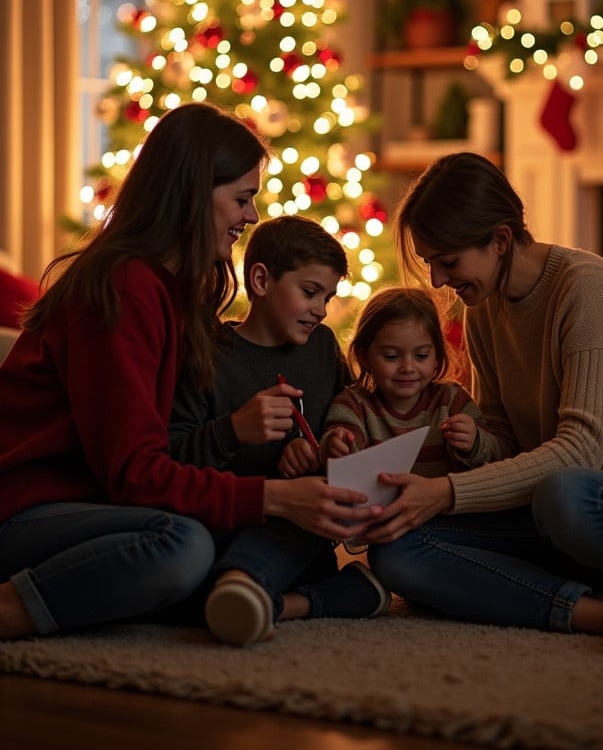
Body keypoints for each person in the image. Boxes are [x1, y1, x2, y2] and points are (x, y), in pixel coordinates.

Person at [0, 102, 378, 642]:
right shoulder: (122, 288)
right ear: (193, 193)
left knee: (247, 540)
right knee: (183, 544)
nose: (251, 217)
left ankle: (250, 596)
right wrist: (272, 495)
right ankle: (12, 608)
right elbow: (135, 475)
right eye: (242, 199)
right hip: (25, 510)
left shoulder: (173, 294)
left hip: (99, 509)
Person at [363, 152, 603, 655]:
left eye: (447, 262)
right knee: (396, 548)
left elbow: (581, 450)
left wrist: (446, 491)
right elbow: (507, 441)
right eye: (430, 263)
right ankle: (599, 611)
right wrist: (473, 448)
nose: (436, 281)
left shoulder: (585, 286)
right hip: (551, 511)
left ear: (499, 240)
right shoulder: (483, 312)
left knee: (565, 493)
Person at [168, 215, 389, 646]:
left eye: (328, 297)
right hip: (223, 523)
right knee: (176, 578)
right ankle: (313, 597)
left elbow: (348, 418)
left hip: (297, 536)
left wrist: (332, 446)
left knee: (308, 508)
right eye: (309, 293)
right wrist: (233, 431)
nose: (321, 310)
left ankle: (246, 588)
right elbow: (172, 459)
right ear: (262, 279)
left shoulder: (323, 347)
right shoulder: (206, 354)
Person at [320, 286, 512, 476]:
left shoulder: (453, 400)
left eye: (421, 355)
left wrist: (475, 442)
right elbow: (339, 459)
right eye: (392, 356)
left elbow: (498, 457)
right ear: (364, 357)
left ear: (436, 356)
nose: (408, 367)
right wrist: (336, 446)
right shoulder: (353, 405)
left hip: (445, 505)